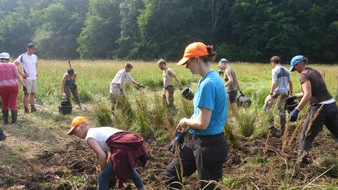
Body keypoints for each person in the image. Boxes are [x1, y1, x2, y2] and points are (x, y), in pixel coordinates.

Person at [165, 42, 228, 190]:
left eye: (188, 62)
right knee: (172, 174)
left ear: (197, 59)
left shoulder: (208, 84)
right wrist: (187, 128)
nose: (187, 67)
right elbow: (200, 116)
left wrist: (185, 121)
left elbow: (203, 123)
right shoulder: (204, 80)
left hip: (209, 146)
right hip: (197, 141)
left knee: (207, 188)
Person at [67, 116, 148, 190]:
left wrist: (103, 171)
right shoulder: (100, 130)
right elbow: (110, 153)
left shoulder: (89, 137)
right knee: (130, 169)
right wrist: (107, 169)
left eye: (75, 132)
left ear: (81, 127)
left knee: (102, 178)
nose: (75, 135)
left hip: (124, 148)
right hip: (134, 144)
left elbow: (102, 156)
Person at [288, 55, 338, 164]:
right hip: (332, 106)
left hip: (320, 109)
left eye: (294, 68)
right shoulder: (314, 71)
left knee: (306, 136)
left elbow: (308, 95)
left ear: (299, 64)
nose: (295, 70)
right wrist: (294, 96)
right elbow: (311, 91)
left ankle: (301, 162)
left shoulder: (304, 75)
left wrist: (296, 110)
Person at [263, 56, 293, 135]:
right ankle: (283, 130)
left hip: (277, 92)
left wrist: (271, 93)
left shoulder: (275, 70)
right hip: (285, 92)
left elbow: (274, 82)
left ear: (273, 62)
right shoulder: (287, 70)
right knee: (282, 110)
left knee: (266, 107)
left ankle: (271, 127)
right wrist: (291, 92)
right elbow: (290, 82)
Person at [0, 52, 26, 125]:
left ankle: (5, 121)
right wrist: (23, 85)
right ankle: (14, 122)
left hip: (2, 88)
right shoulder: (13, 65)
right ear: (8, 59)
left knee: (4, 104)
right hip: (13, 87)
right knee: (13, 104)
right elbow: (17, 76)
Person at [15, 43, 38, 113]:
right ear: (28, 49)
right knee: (26, 93)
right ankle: (26, 108)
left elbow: (36, 64)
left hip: (34, 77)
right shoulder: (22, 56)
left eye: (35, 49)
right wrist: (22, 74)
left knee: (33, 93)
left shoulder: (35, 56)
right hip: (27, 78)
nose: (34, 50)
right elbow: (14, 65)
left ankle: (32, 107)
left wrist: (36, 72)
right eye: (33, 49)